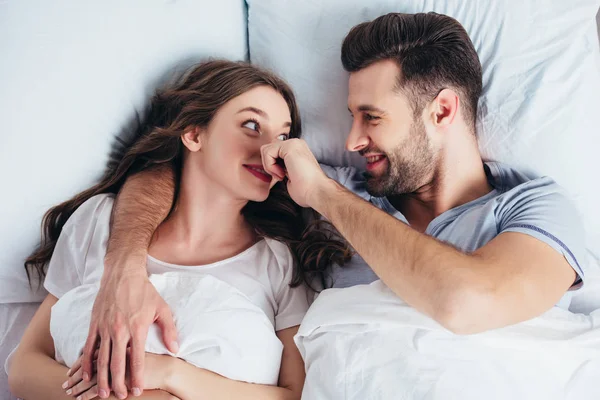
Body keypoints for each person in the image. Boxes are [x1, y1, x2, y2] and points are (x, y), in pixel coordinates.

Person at [75, 12, 587, 399]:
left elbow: (467, 303)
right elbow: (176, 170)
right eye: (349, 116)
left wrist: (322, 194)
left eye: (371, 116)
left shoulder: (534, 208)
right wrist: (124, 266)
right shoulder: (337, 185)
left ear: (442, 110)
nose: (352, 139)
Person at [8, 60, 351, 400]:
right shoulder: (99, 221)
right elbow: (24, 368)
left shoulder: (279, 259)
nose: (270, 150)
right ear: (193, 134)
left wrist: (173, 375)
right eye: (251, 124)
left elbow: (295, 395)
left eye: (282, 136)